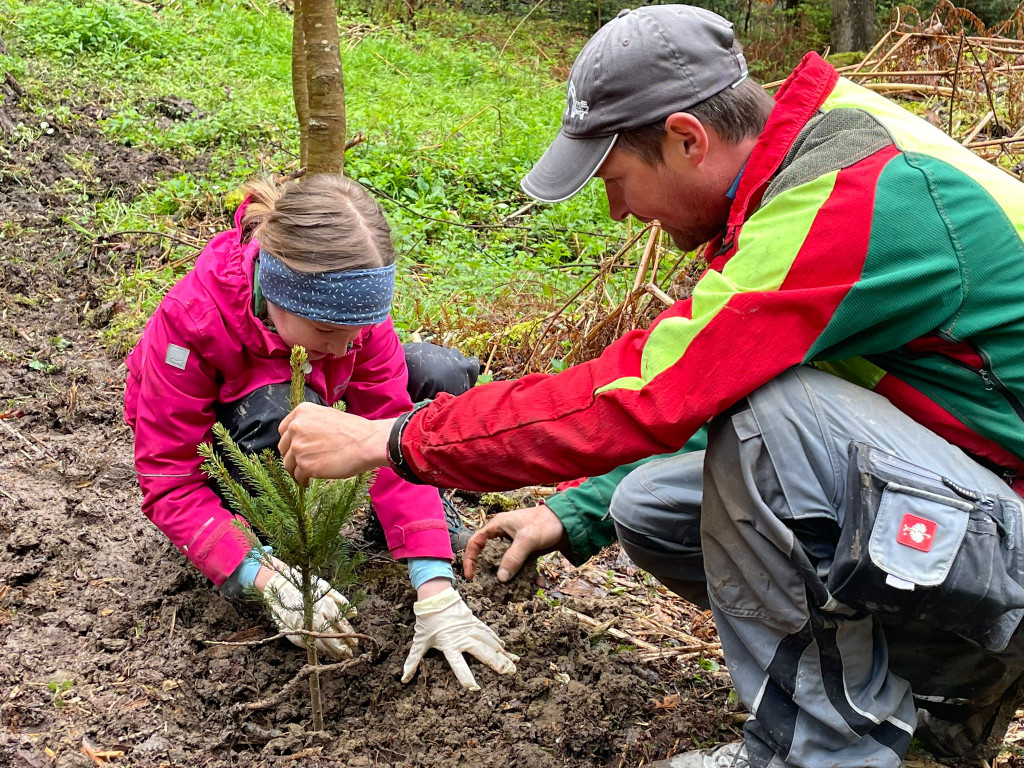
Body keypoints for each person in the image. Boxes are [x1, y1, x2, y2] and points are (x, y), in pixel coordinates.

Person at [277, 5, 1024, 767]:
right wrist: (575, 512)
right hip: (981, 500)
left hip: (1010, 533)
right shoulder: (820, 149)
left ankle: (822, 755)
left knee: (775, 418)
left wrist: (390, 438)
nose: (616, 208)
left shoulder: (854, 202)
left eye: (617, 179)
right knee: (652, 508)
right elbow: (726, 391)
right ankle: (929, 713)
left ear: (687, 140)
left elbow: (651, 392)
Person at [123, 173, 516, 691]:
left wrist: (434, 586)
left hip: (313, 394)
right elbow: (170, 480)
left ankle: (403, 528)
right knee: (276, 415)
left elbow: (389, 435)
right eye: (331, 332)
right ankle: (266, 533)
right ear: (279, 296)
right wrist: (261, 576)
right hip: (228, 447)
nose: (351, 345)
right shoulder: (193, 324)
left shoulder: (349, 317)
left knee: (438, 374)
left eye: (363, 328)